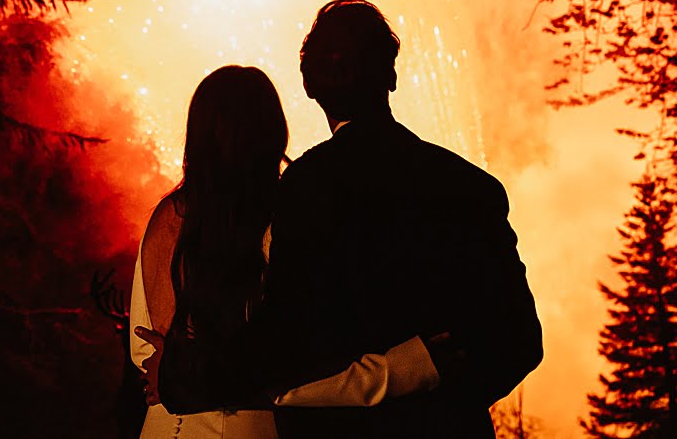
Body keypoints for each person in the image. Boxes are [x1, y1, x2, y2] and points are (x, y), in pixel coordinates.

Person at [145, 0, 542, 438]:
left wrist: (181, 379)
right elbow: (520, 342)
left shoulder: (306, 188)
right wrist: (442, 402)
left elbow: (287, 341)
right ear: (391, 73)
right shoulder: (473, 187)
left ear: (309, 84)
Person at [128, 64, 445, 439]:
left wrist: (175, 375)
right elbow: (295, 353)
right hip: (258, 426)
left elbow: (143, 350)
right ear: (273, 132)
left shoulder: (164, 219)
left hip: (165, 426)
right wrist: (408, 369)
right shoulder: (287, 218)